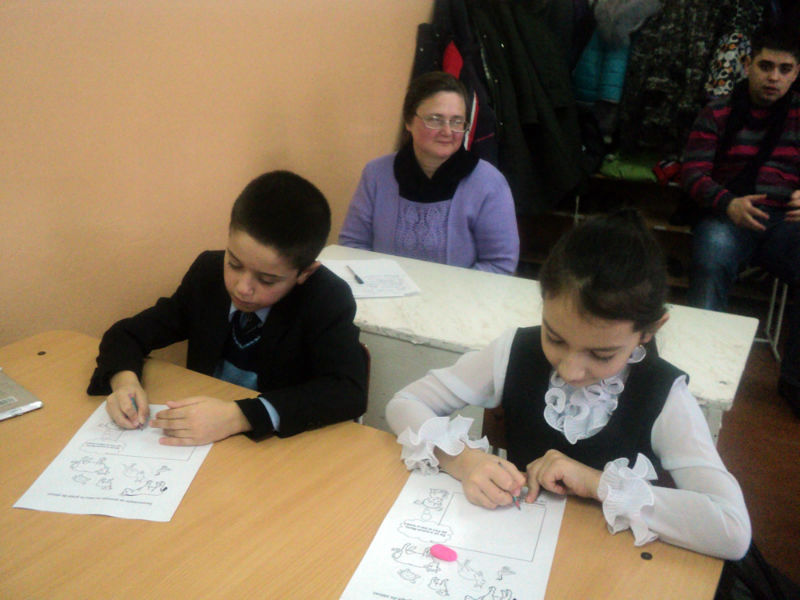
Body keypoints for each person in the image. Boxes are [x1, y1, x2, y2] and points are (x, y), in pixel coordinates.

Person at [385, 210, 751, 560]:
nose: (572, 370)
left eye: (602, 354)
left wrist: (597, 483)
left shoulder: (664, 393)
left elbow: (733, 530)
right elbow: (405, 403)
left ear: (649, 331)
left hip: (606, 569)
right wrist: (463, 460)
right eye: (555, 338)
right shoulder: (516, 350)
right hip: (512, 549)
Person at [87, 170, 367, 445]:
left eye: (267, 280)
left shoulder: (326, 299)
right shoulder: (208, 274)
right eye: (234, 264)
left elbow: (348, 392)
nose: (242, 287)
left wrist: (240, 416)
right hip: (202, 438)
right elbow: (127, 334)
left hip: (272, 448)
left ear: (305, 273)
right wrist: (124, 382)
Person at [681, 23, 800, 417]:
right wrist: (728, 203)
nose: (774, 77)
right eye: (766, 66)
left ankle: (795, 382)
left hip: (786, 222)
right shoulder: (718, 111)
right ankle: (697, 376)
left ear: (796, 73)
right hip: (728, 216)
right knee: (712, 256)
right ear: (747, 64)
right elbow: (692, 173)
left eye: (785, 69)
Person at [338, 71, 520, 275]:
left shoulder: (489, 183)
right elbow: (352, 245)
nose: (447, 131)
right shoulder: (376, 174)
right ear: (408, 121)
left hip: (459, 294)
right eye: (435, 119)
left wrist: (444, 290)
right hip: (384, 291)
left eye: (457, 121)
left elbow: (500, 263)